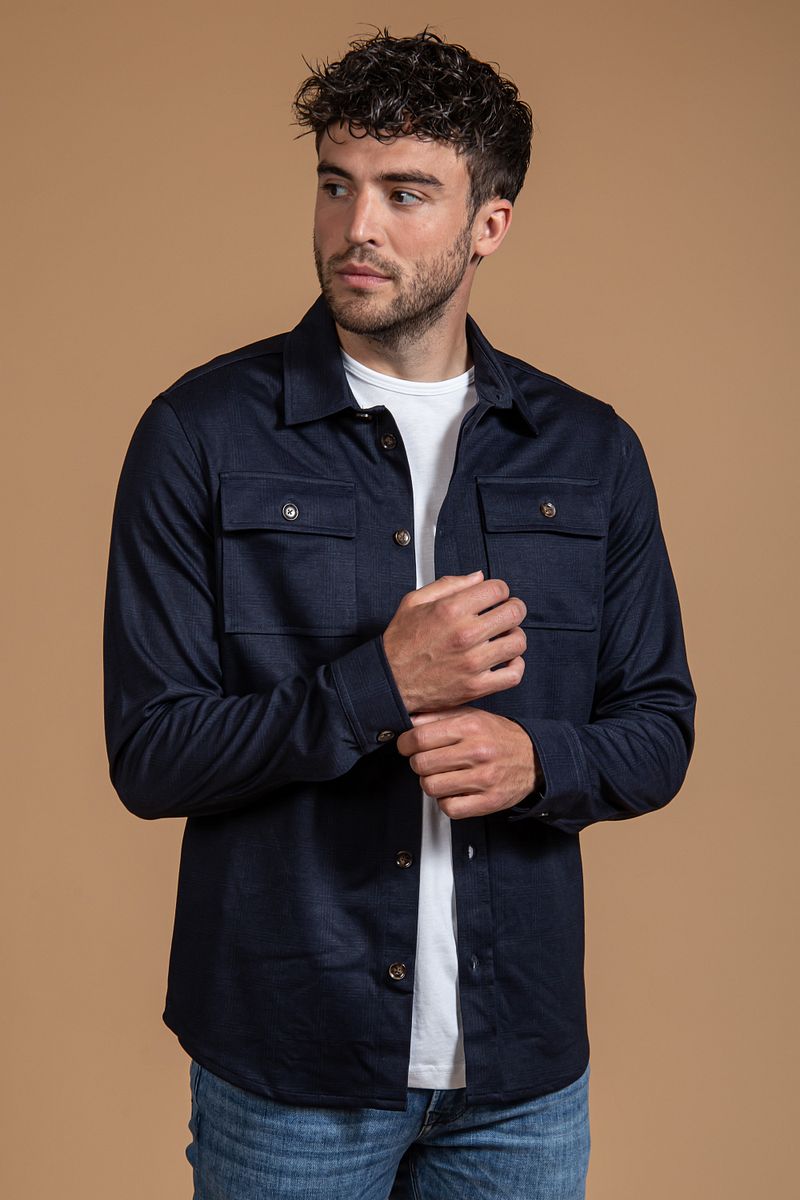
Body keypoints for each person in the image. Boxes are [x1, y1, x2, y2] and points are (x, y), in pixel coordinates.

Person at [103, 28, 696, 1200]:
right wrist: (377, 686)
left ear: (489, 222)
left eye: (404, 193)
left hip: (520, 1081)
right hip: (289, 1067)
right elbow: (151, 752)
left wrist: (538, 762)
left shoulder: (589, 453)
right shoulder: (199, 435)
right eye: (336, 185)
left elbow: (658, 725)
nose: (355, 226)